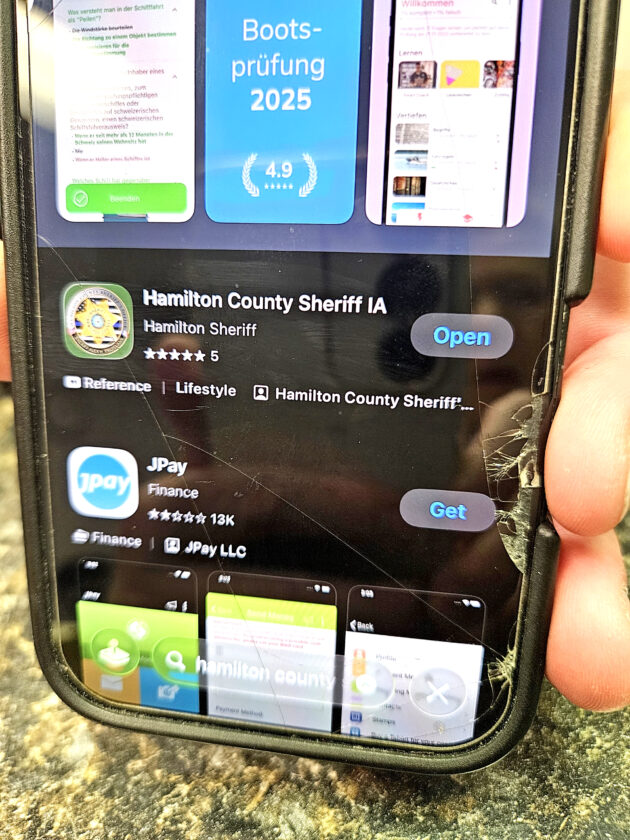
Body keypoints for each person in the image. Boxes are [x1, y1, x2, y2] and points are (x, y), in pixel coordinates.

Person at [0, 7, 629, 715]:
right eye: (471, 293)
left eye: (515, 294)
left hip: (430, 647)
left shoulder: (515, 431)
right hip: (172, 629)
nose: (482, 317)